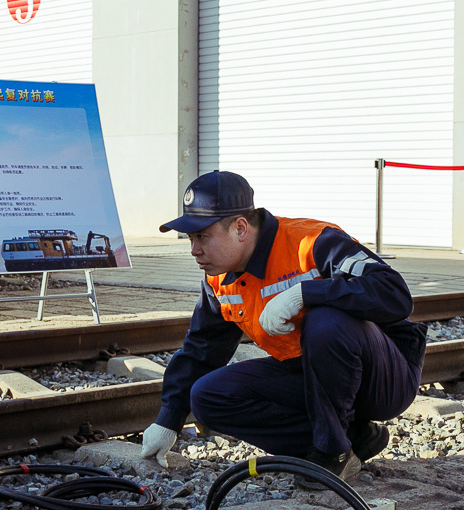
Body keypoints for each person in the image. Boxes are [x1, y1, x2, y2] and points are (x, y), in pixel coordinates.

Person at [138, 170, 423, 485]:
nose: (194, 250)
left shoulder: (313, 242)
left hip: (383, 377)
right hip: (311, 377)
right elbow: (201, 350)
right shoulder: (219, 279)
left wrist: (306, 294)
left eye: (201, 236)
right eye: (191, 238)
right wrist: (169, 420)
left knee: (326, 321)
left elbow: (394, 293)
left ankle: (332, 454)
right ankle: (353, 439)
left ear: (240, 228)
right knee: (207, 395)